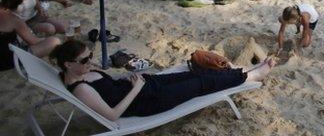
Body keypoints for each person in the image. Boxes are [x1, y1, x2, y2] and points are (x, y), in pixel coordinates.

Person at [51, 40, 274, 120]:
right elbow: (112, 115)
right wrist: (135, 88)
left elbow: (107, 85)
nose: (90, 62)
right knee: (200, 85)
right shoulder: (81, 88)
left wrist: (130, 79)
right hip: (147, 101)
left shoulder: (79, 71)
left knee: (195, 74)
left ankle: (240, 73)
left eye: (90, 56)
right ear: (68, 64)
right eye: (84, 60)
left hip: (145, 86)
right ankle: (250, 76)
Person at [0, 0, 61, 71]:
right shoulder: (12, 19)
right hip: (12, 60)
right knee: (54, 41)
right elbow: (34, 41)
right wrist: (45, 40)